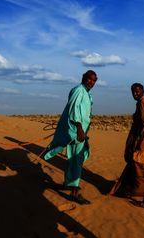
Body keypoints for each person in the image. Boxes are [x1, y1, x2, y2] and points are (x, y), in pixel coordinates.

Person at [43, 70, 98, 205]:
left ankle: (69, 183)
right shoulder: (79, 90)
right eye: (89, 79)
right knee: (76, 159)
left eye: (94, 80)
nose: (91, 82)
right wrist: (79, 128)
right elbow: (73, 109)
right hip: (76, 131)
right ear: (83, 78)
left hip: (79, 132)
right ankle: (74, 191)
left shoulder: (86, 93)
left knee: (74, 158)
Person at [111, 82, 144, 209]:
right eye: (133, 92)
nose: (135, 94)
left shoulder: (142, 104)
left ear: (142, 91)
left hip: (143, 141)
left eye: (137, 91)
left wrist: (140, 139)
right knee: (139, 166)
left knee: (141, 168)